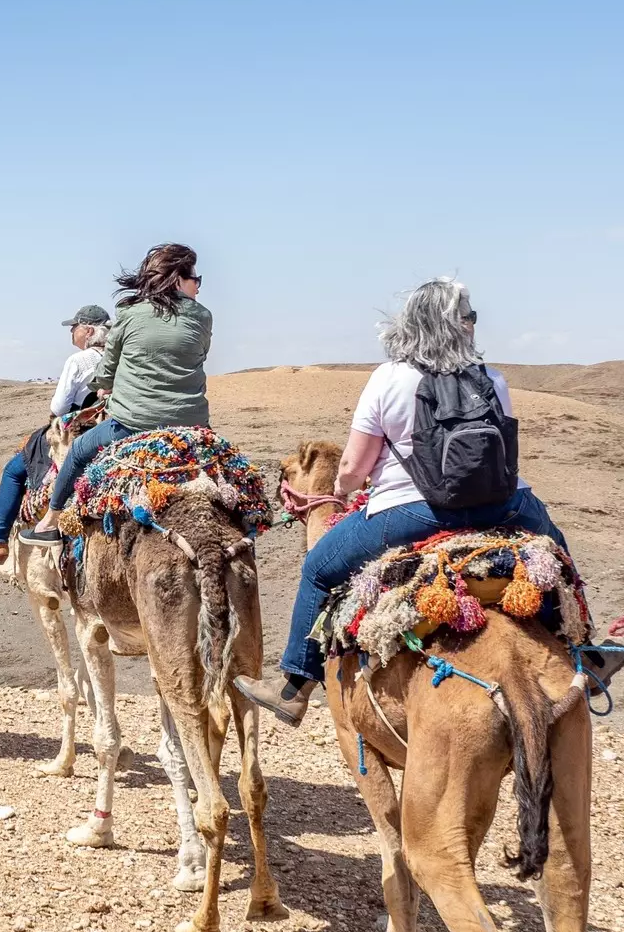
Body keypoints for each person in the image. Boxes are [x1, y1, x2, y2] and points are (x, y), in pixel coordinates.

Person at [237, 277, 569, 727]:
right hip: (505, 505)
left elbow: (353, 467)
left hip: (414, 511)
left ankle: (295, 687)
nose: (473, 323)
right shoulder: (492, 379)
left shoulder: (389, 378)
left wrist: (344, 490)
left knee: (318, 567)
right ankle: (579, 651)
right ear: (458, 326)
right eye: (469, 316)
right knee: (556, 553)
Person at [21, 245, 210, 545]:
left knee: (79, 450)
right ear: (177, 280)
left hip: (132, 425)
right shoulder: (203, 316)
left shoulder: (129, 313)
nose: (198, 286)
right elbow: (199, 355)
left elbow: (107, 372)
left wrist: (105, 385)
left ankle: (49, 522)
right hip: (193, 427)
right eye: (195, 279)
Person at [0, 304, 110, 562]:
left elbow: (58, 407)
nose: (71, 332)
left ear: (88, 330)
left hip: (76, 434)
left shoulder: (79, 360)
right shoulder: (119, 356)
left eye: (75, 327)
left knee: (14, 469)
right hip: (110, 430)